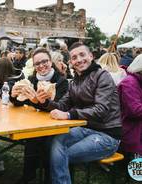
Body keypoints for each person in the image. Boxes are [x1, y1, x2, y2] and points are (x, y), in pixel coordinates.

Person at [36, 42, 121, 184]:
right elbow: (62, 105)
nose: (79, 59)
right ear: (71, 62)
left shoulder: (102, 76)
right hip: (86, 129)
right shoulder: (75, 82)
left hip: (108, 135)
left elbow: (101, 110)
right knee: (54, 142)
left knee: (59, 155)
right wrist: (44, 102)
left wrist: (69, 115)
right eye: (74, 57)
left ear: (91, 56)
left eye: (82, 55)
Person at [11, 48, 68, 184]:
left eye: (45, 61)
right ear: (34, 66)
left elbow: (60, 106)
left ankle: (48, 177)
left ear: (50, 61)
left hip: (55, 124)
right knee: (32, 138)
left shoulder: (61, 81)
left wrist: (37, 103)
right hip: (35, 123)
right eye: (37, 63)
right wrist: (13, 96)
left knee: (46, 142)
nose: (41, 66)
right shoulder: (31, 79)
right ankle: (29, 175)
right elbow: (21, 101)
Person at [118, 54, 142, 156]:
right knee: (138, 170)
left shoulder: (137, 81)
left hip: (136, 129)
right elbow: (135, 111)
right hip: (131, 131)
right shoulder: (129, 83)